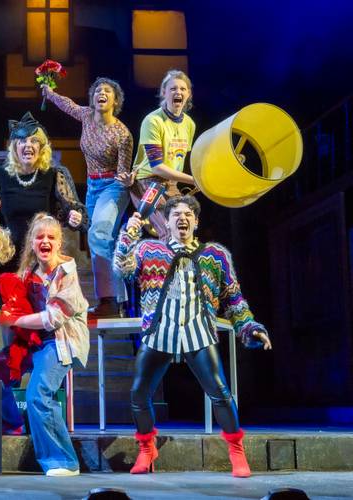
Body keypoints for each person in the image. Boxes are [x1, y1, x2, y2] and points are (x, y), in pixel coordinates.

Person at [113, 195, 272, 477]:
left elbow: (233, 298)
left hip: (198, 331)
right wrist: (128, 235)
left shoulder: (215, 255)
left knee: (220, 392)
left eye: (188, 214)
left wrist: (250, 327)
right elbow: (121, 268)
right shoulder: (149, 249)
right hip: (160, 331)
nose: (182, 219)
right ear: (166, 222)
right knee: (139, 393)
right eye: (176, 214)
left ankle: (236, 450)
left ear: (196, 222)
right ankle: (147, 447)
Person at [0, 213, 89, 476]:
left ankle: (64, 461)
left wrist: (15, 319)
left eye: (51, 237)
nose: (45, 241)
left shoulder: (67, 272)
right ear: (32, 243)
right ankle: (15, 424)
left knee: (38, 395)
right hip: (33, 342)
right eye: (39, 237)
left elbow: (54, 318)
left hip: (60, 342)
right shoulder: (27, 274)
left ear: (59, 243)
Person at [43, 78, 134, 317]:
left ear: (115, 100)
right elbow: (68, 105)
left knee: (99, 235)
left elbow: (123, 172)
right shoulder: (86, 116)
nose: (101, 93)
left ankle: (108, 301)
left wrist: (128, 181)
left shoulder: (123, 134)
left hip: (113, 186)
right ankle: (117, 300)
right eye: (97, 90)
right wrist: (50, 93)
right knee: (100, 241)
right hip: (93, 185)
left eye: (107, 91)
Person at [0, 111, 87, 272]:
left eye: (34, 141)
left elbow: (75, 210)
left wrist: (76, 217)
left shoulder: (54, 174)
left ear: (41, 148)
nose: (28, 145)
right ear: (15, 147)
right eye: (22, 141)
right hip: (7, 258)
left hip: (42, 259)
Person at [130, 70, 197, 240]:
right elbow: (157, 167)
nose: (178, 92)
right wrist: (194, 180)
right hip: (148, 182)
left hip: (171, 184)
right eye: (173, 88)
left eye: (183, 89)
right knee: (170, 232)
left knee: (185, 232)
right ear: (163, 92)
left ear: (188, 94)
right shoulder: (153, 121)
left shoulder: (189, 124)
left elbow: (178, 160)